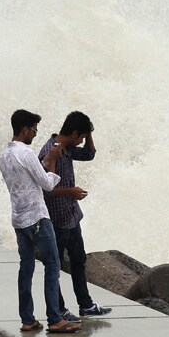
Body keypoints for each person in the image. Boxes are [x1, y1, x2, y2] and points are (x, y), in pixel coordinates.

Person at [0, 109, 80, 334]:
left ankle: (28, 319)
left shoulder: (4, 156)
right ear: (24, 129)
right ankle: (55, 318)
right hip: (37, 217)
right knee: (52, 265)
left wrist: (44, 162)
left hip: (19, 219)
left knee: (26, 268)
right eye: (33, 129)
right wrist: (52, 161)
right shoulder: (26, 154)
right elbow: (47, 184)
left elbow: (27, 178)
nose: (35, 134)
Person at [38, 111, 111, 319]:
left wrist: (88, 133)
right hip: (57, 219)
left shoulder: (68, 149)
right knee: (55, 266)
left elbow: (89, 154)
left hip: (71, 217)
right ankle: (59, 309)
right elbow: (43, 190)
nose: (82, 142)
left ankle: (85, 305)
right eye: (81, 137)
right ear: (74, 133)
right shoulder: (49, 152)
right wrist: (69, 192)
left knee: (79, 259)